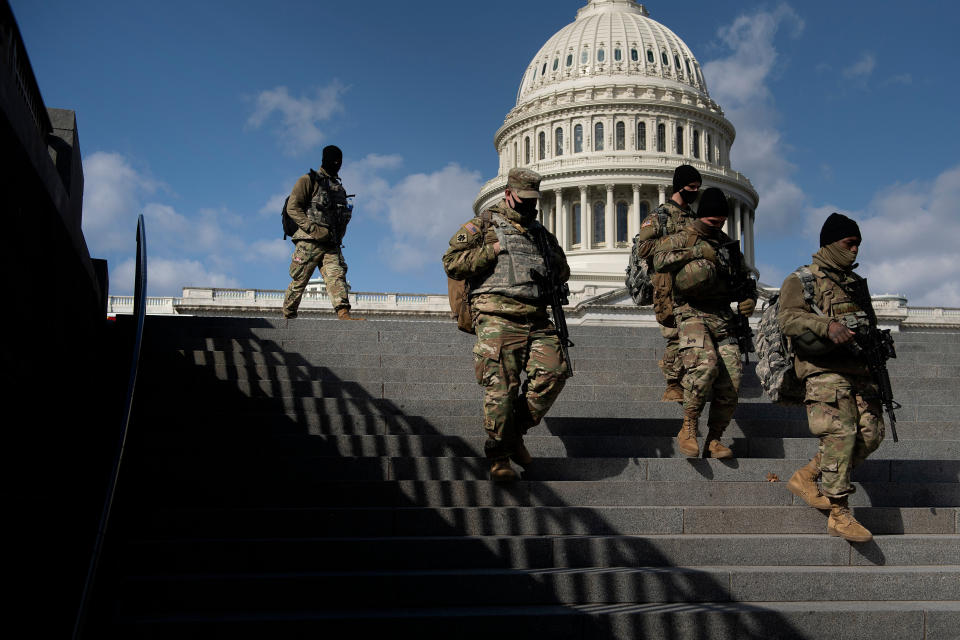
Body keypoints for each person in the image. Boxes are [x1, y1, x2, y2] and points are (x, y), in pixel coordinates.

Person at [442, 168, 571, 482]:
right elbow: (452, 261)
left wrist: (549, 268)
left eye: (533, 200)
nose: (530, 205)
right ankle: (499, 456)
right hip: (497, 316)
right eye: (524, 199)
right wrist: (494, 250)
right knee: (501, 389)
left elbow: (562, 268)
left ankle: (513, 434)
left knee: (553, 373)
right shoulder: (483, 225)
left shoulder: (541, 233)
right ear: (509, 194)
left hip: (537, 316)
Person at [778, 213, 884, 542]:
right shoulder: (804, 279)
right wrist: (827, 326)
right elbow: (788, 319)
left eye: (858, 245)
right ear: (831, 243)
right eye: (849, 243)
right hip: (822, 369)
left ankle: (807, 475)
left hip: (858, 370)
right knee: (840, 433)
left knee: (871, 433)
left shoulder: (854, 284)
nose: (855, 251)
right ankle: (839, 513)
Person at [653, 187, 757, 459]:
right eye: (712, 220)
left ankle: (714, 439)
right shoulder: (683, 237)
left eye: (721, 220)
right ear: (702, 216)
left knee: (732, 382)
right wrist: (697, 251)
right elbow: (658, 259)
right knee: (704, 366)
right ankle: (689, 426)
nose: (718, 224)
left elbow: (745, 281)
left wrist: (749, 300)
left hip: (722, 317)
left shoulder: (728, 246)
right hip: (690, 312)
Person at [634, 164, 702, 402]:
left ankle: (690, 381)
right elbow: (644, 248)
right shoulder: (658, 216)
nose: (695, 191)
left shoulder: (695, 218)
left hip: (693, 284)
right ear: (680, 186)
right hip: (667, 286)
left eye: (698, 187)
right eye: (692, 187)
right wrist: (680, 244)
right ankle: (673, 383)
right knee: (674, 334)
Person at [281, 145, 362, 320]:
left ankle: (343, 313)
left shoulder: (339, 189)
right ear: (324, 160)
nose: (337, 164)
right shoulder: (308, 180)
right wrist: (312, 228)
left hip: (331, 243)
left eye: (339, 161)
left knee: (337, 276)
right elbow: (292, 207)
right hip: (309, 241)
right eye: (334, 160)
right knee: (299, 280)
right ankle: (288, 314)